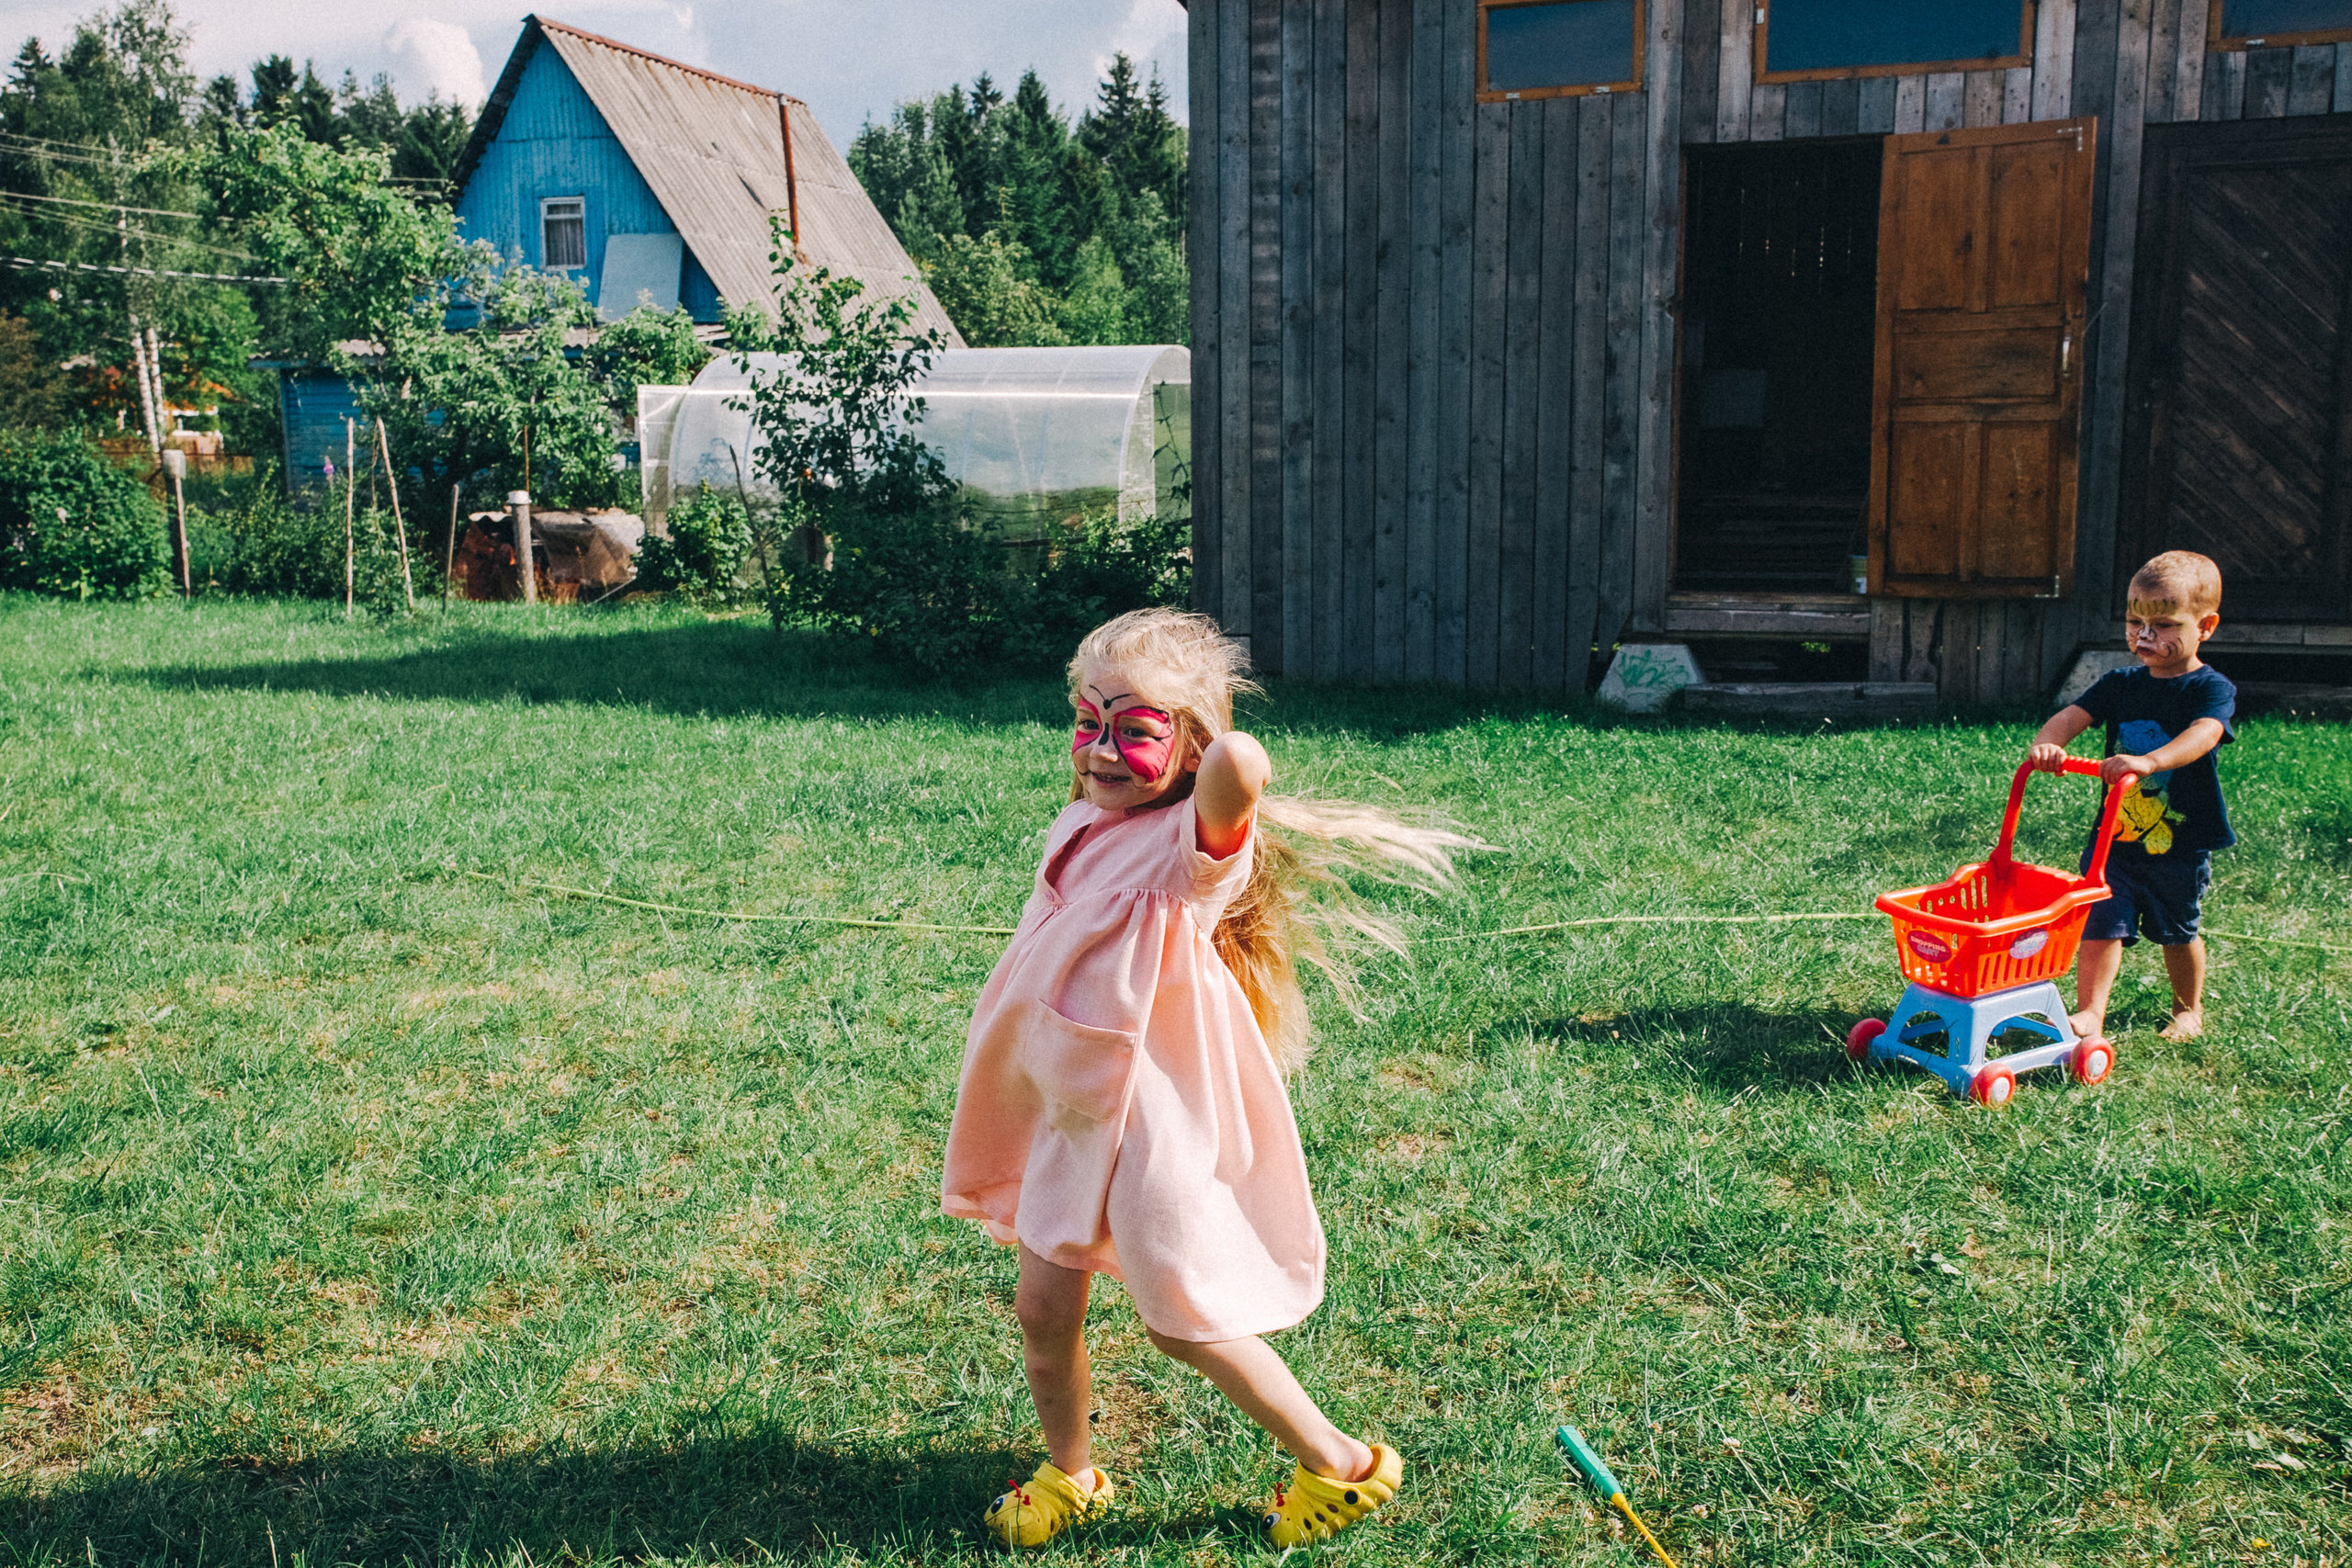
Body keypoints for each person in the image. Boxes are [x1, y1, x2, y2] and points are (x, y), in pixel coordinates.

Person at [941, 607, 1471, 1550]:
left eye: (1135, 731)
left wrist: (1208, 726)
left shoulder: (1196, 847)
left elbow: (1242, 769)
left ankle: (1341, 1464)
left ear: (1188, 741)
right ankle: (1070, 1472)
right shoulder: (1081, 818)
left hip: (1152, 1126)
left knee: (1181, 1321)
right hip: (1069, 1114)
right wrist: (1137, 719)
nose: (1100, 749)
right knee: (1041, 1309)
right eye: (1086, 721)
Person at [2026, 550, 2235, 1043]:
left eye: (2163, 624)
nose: (2144, 635)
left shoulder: (2210, 688)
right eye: (2134, 620)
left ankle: (2188, 1010)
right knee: (2099, 922)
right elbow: (2071, 716)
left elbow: (2205, 734)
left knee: (2177, 930)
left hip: (2178, 842)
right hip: (2113, 838)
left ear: (2205, 626)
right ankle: (2091, 1013)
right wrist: (2048, 745)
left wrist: (2151, 761)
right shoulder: (2119, 684)